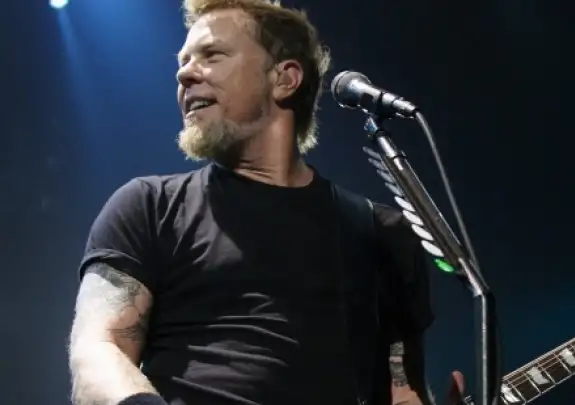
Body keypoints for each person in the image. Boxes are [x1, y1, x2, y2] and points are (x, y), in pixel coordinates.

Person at [68, 1, 465, 404]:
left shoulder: (380, 233)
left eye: (212, 55)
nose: (184, 74)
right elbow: (97, 351)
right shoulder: (150, 208)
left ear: (284, 79)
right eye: (184, 61)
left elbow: (402, 390)